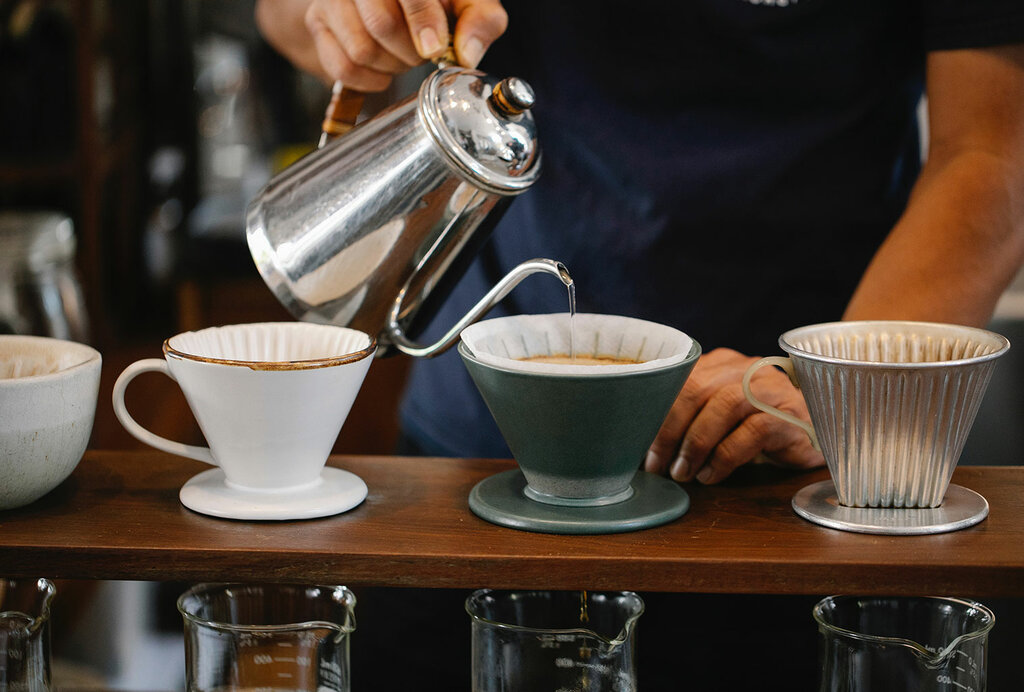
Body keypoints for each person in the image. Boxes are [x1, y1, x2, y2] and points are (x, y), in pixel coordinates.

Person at [254, 2, 1024, 689]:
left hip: (789, 466)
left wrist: (838, 388)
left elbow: (989, 153)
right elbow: (286, 18)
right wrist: (352, 17)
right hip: (479, 455)